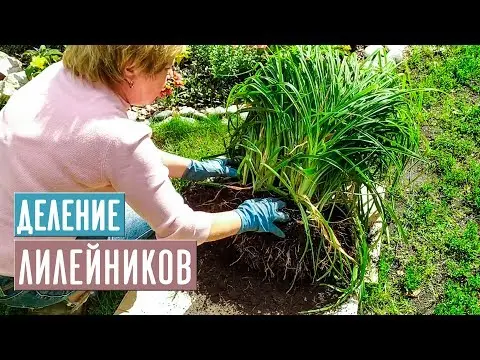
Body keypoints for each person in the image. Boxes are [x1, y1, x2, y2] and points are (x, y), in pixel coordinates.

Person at [0, 45, 289, 314]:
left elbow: (117, 156)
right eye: (167, 66)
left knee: (120, 199)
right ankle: (66, 294)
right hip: (22, 275)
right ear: (130, 68)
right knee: (162, 253)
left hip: (19, 221)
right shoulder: (117, 139)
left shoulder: (58, 78)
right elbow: (180, 230)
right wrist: (248, 216)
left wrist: (194, 167)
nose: (171, 76)